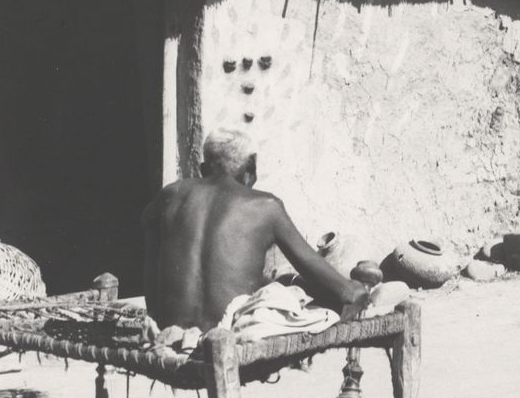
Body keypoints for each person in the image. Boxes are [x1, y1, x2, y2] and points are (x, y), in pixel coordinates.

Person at [142, 125, 367, 332]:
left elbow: (152, 268)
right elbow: (344, 292)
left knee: (269, 284)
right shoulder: (266, 207)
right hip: (228, 333)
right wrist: (357, 290)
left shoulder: (169, 195)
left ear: (202, 169)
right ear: (251, 168)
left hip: (171, 330)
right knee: (352, 291)